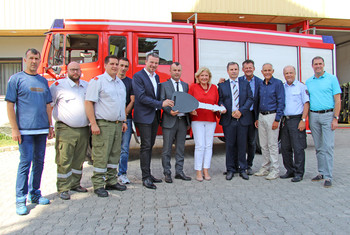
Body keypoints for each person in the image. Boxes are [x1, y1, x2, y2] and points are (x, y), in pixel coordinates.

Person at [6, 48, 54, 215]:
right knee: (25, 163)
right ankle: (20, 199)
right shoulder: (16, 79)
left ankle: (35, 193)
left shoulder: (42, 81)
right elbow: (10, 105)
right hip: (25, 131)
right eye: (31, 58)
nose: (34, 61)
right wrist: (14, 128)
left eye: (36, 58)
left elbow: (48, 105)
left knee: (39, 163)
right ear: (25, 59)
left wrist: (50, 126)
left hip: (41, 129)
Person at [85, 55, 127, 197]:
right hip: (103, 125)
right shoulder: (98, 81)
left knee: (114, 155)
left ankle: (111, 181)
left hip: (117, 125)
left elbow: (122, 105)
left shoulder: (120, 83)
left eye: (117, 64)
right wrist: (93, 124)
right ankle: (98, 184)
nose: (115, 66)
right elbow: (89, 102)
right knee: (101, 155)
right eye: (112, 64)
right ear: (105, 65)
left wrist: (124, 121)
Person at [132, 53, 174, 189]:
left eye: (156, 63)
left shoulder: (156, 76)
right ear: (146, 61)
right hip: (144, 117)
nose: (154, 65)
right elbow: (141, 97)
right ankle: (145, 178)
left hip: (154, 116)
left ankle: (149, 174)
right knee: (145, 146)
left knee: (150, 146)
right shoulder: (138, 76)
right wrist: (161, 104)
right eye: (151, 62)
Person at [50, 62, 89, 200]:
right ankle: (63, 188)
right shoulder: (58, 86)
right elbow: (49, 106)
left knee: (79, 159)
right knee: (64, 159)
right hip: (66, 129)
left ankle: (75, 184)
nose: (75, 72)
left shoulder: (86, 85)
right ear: (67, 71)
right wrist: (50, 126)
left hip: (84, 129)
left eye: (77, 70)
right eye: (72, 70)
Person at [306, 56, 341, 188]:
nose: (318, 66)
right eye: (316, 64)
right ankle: (321, 172)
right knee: (319, 146)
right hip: (314, 115)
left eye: (320, 64)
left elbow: (337, 100)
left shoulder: (332, 79)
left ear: (324, 65)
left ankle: (328, 176)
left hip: (328, 115)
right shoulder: (309, 81)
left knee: (328, 146)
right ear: (312, 66)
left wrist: (335, 118)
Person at [218, 62, 254, 181]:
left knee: (242, 145)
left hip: (242, 118)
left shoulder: (245, 83)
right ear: (227, 71)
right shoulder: (222, 85)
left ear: (239, 71)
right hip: (228, 119)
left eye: (235, 69)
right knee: (230, 145)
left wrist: (241, 111)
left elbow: (250, 98)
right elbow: (219, 101)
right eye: (231, 69)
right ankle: (230, 169)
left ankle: (242, 169)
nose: (233, 71)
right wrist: (221, 107)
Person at [160, 62, 192, 183]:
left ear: (181, 71)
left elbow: (188, 101)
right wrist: (169, 111)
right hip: (169, 121)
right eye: (174, 70)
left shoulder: (185, 85)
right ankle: (167, 173)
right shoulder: (164, 85)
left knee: (180, 148)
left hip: (182, 121)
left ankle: (179, 172)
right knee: (166, 149)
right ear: (170, 71)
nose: (177, 72)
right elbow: (162, 102)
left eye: (179, 70)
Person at [254, 63, 285, 180]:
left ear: (273, 71)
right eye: (265, 70)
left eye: (269, 70)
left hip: (272, 116)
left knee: (272, 144)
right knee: (263, 144)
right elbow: (257, 101)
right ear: (261, 72)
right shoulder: (261, 85)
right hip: (261, 116)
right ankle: (265, 168)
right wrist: (257, 118)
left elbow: (281, 102)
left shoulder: (277, 84)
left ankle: (275, 170)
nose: (267, 72)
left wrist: (277, 119)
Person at [189, 67, 219, 181]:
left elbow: (216, 103)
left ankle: (206, 169)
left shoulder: (214, 88)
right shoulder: (193, 87)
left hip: (211, 120)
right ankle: (198, 171)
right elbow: (189, 102)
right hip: (197, 120)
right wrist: (191, 110)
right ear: (198, 77)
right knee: (200, 145)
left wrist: (218, 109)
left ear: (209, 77)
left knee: (208, 146)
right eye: (202, 75)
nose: (204, 78)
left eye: (206, 75)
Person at [280, 65, 309, 182]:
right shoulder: (282, 87)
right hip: (285, 121)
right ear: (284, 75)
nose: (289, 75)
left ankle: (299, 173)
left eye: (291, 73)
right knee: (285, 148)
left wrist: (303, 120)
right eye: (286, 73)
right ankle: (290, 170)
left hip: (297, 120)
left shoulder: (301, 87)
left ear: (295, 73)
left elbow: (306, 104)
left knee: (298, 148)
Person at [238, 60, 262, 175]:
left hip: (253, 114)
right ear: (243, 69)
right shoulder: (238, 81)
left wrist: (258, 117)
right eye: (246, 68)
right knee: (241, 141)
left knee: (252, 142)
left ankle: (249, 165)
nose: (248, 69)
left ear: (254, 68)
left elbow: (261, 101)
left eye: (250, 67)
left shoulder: (259, 82)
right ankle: (240, 164)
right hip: (241, 114)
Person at [117, 57, 134, 184]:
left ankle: (122, 174)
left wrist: (124, 115)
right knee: (110, 148)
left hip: (126, 119)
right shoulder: (110, 81)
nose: (123, 68)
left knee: (124, 148)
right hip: (111, 120)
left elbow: (132, 100)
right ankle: (108, 174)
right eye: (121, 65)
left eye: (126, 66)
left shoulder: (130, 82)